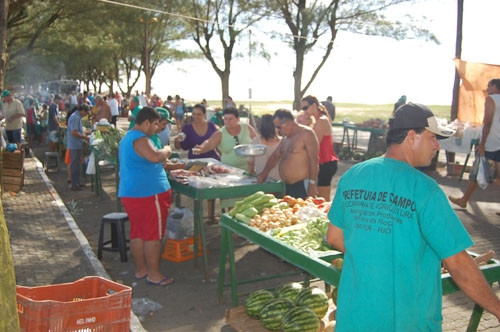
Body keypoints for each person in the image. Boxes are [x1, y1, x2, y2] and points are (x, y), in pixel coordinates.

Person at [326, 102, 500, 331]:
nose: (437, 145)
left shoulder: (353, 175)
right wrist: (497, 309)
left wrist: (376, 254)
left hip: (355, 318)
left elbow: (334, 237)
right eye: (432, 138)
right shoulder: (425, 190)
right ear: (411, 136)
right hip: (407, 321)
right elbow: (458, 265)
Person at [118, 106, 174, 286]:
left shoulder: (127, 138)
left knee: (138, 232)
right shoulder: (141, 138)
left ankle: (141, 270)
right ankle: (154, 274)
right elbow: (156, 156)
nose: (156, 128)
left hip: (132, 192)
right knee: (153, 235)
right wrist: (167, 150)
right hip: (148, 193)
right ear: (147, 122)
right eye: (156, 124)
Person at [449, 78, 500, 209]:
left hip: (490, 143)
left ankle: (464, 200)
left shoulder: (491, 99)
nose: (487, 88)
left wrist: (482, 143)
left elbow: (488, 122)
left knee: (477, 171)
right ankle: (464, 200)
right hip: (498, 142)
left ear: (494, 86)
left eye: (489, 85)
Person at [257, 109, 319, 199]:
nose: (278, 131)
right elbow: (275, 157)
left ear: (287, 122)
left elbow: (314, 160)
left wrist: (312, 184)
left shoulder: (307, 134)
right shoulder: (286, 138)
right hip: (286, 186)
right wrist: (263, 174)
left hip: (302, 185)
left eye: (279, 127)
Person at [175, 103, 220, 223]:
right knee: (197, 189)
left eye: (199, 114)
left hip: (211, 160)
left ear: (205, 114)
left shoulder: (211, 126)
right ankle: (199, 217)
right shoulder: (187, 128)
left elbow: (217, 140)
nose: (196, 117)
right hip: (194, 163)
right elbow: (182, 147)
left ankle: (211, 216)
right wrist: (177, 141)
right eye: (194, 114)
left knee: (212, 188)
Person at [193, 107, 256, 172]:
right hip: (228, 172)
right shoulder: (220, 133)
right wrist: (201, 147)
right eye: (225, 119)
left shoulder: (247, 128)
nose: (227, 121)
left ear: (238, 119)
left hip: (248, 170)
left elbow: (257, 142)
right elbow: (209, 143)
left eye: (230, 119)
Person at [302, 95, 339, 201]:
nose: (304, 111)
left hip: (326, 163)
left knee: (323, 200)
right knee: (318, 199)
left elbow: (313, 144)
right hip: (322, 163)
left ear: (314, 106)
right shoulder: (316, 119)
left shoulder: (322, 120)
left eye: (305, 108)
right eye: (302, 109)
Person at [248, 114, 281, 181]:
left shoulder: (255, 141)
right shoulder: (282, 142)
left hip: (261, 179)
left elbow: (250, 162)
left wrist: (251, 172)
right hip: (279, 180)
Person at [66, 104, 90, 191]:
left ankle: (77, 182)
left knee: (78, 165)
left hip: (77, 144)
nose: (86, 114)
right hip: (74, 145)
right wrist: (85, 137)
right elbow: (74, 132)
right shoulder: (75, 117)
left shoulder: (77, 117)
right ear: (82, 110)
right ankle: (74, 184)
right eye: (86, 112)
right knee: (74, 165)